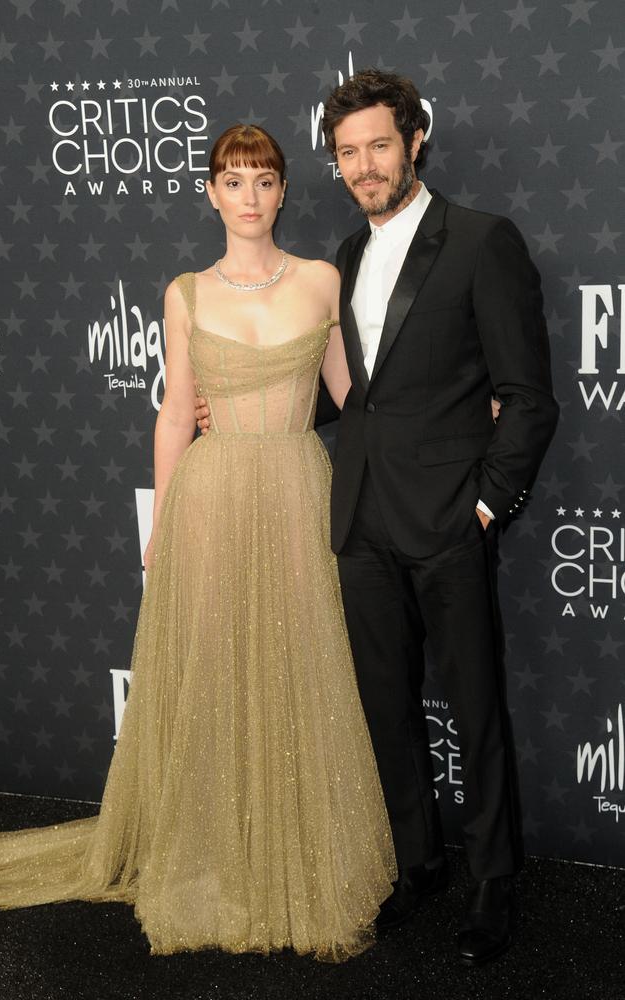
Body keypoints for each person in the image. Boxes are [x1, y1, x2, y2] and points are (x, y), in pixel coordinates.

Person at [0, 124, 396, 961]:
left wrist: (446, 412)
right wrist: (160, 526)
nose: (250, 197)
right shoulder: (184, 294)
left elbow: (354, 399)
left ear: (283, 191)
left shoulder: (323, 280)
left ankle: (294, 852)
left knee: (301, 666)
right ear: (211, 194)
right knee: (216, 670)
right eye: (234, 181)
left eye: (264, 181)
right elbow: (176, 411)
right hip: (211, 499)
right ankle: (215, 851)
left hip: (298, 493)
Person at [197, 70, 560, 967]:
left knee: (474, 708)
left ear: (414, 143)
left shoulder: (480, 240)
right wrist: (242, 404)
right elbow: (355, 395)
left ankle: (493, 879)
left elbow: (527, 397)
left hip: (448, 522)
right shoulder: (343, 258)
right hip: (358, 518)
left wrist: (485, 505)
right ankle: (416, 861)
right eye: (347, 153)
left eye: (379, 147)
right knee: (384, 708)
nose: (363, 166)